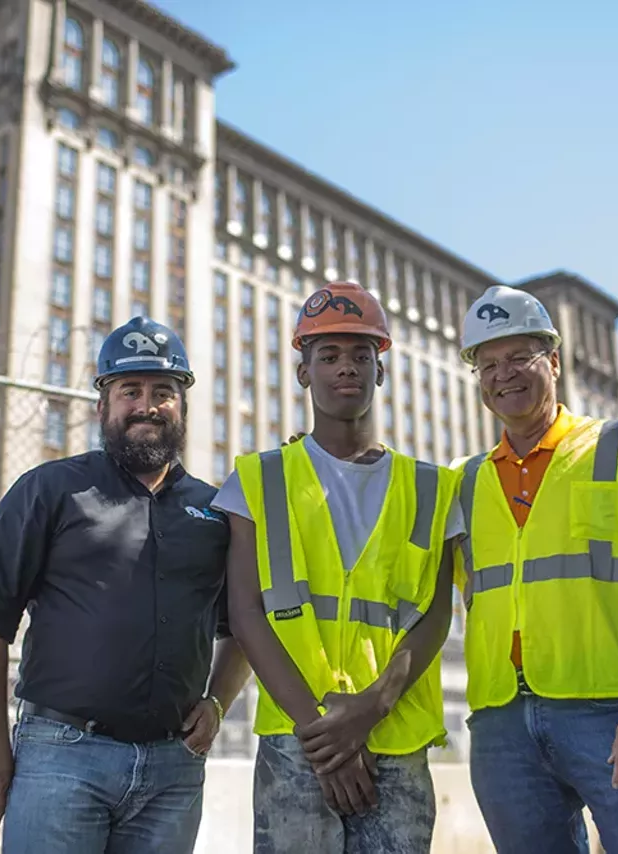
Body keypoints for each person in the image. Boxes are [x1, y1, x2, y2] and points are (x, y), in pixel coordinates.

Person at [0, 316, 252, 853]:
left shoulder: (215, 510)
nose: (146, 405)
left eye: (163, 391)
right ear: (102, 407)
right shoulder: (49, 489)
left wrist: (218, 703)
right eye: (128, 390)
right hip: (61, 759)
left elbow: (244, 626)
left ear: (182, 407)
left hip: (173, 771)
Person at [211, 281, 464, 854]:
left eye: (360, 355)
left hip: (395, 738)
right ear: (304, 372)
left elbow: (434, 614)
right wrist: (325, 735)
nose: (345, 367)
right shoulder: (257, 479)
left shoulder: (434, 488)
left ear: (381, 369)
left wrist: (370, 709)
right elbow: (247, 615)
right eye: (328, 355)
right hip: (298, 740)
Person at [453, 285, 618, 854]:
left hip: (613, 715)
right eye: (488, 364)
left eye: (519, 358)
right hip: (503, 725)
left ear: (555, 361)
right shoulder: (463, 482)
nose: (503, 375)